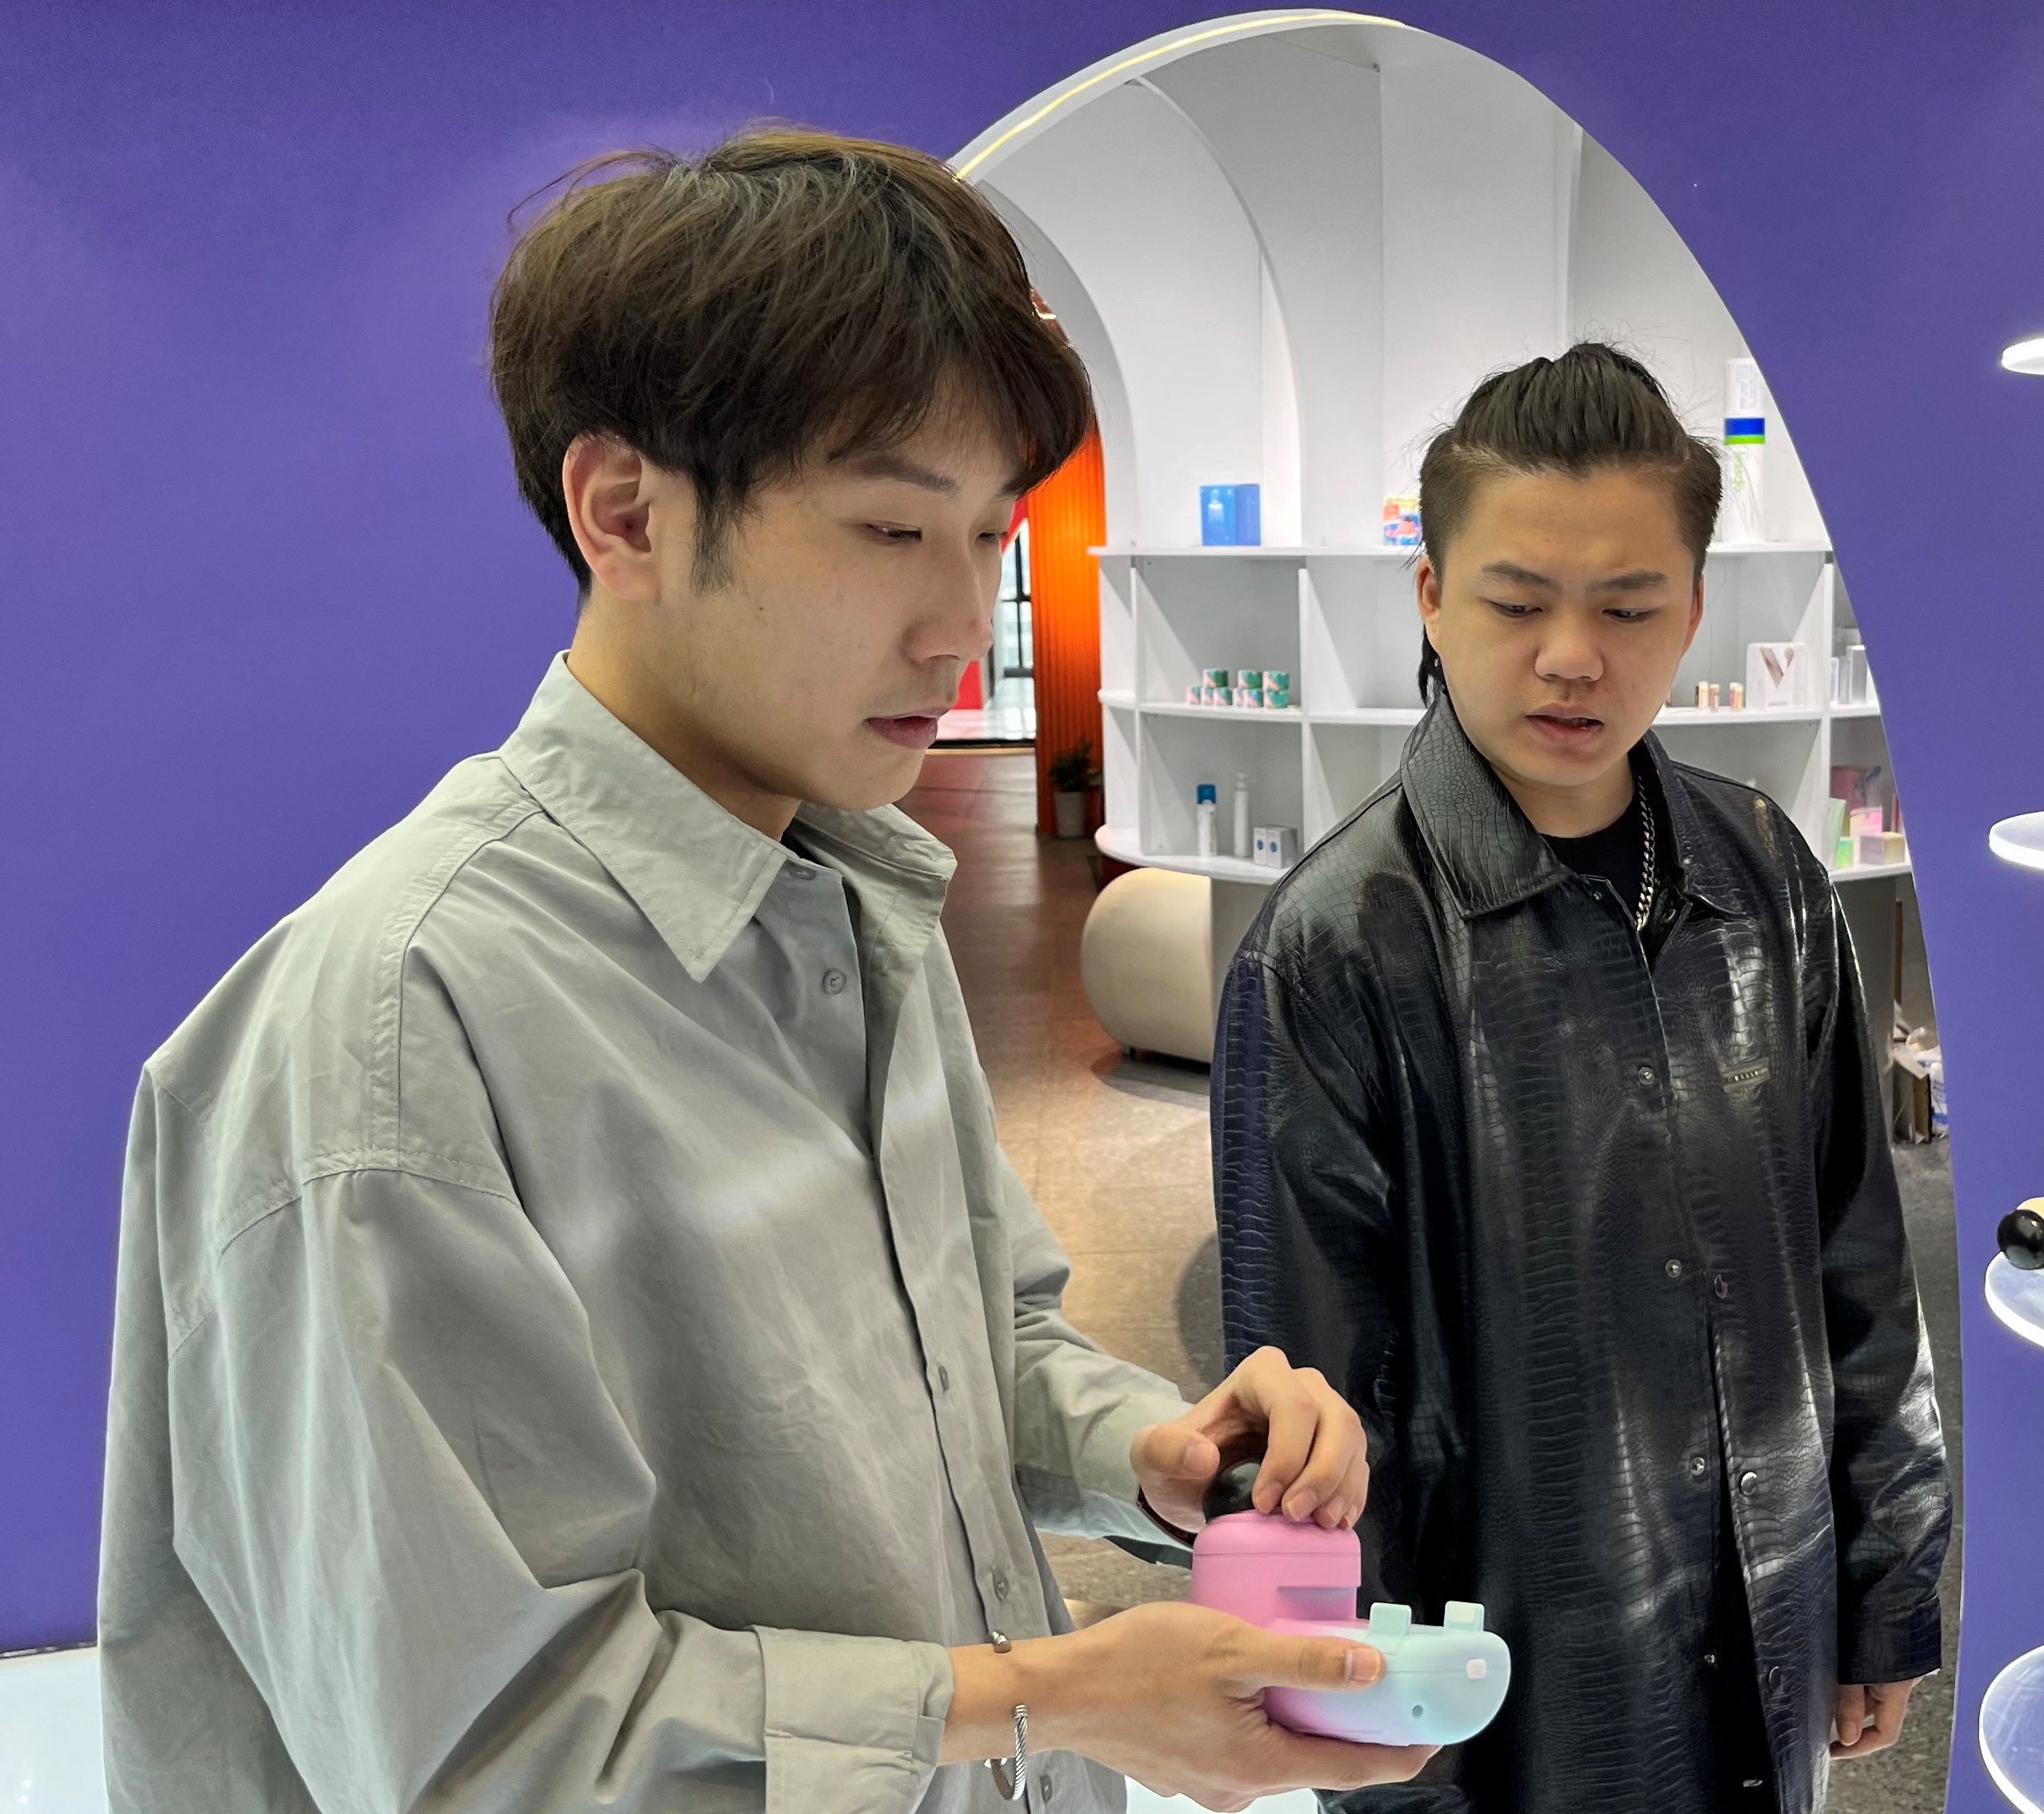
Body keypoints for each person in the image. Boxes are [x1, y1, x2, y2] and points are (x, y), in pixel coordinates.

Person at [97, 128, 1437, 1814]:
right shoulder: (391, 1039)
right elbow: (491, 1747)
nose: (960, 621)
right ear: (625, 512)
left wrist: (1144, 1453)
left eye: (988, 534)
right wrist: (1053, 1697)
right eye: (890, 529)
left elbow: (972, 1347)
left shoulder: (852, 895)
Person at [1213, 344, 1950, 1812]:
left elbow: (1860, 1272)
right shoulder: (1336, 951)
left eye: (1628, 607)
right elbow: (1298, 1411)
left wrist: (1882, 1590)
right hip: (1507, 1680)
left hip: (1776, 1612)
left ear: (1690, 609)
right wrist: (1363, 1733)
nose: (1572, 655)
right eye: (1515, 601)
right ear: (1430, 596)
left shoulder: (1767, 878)